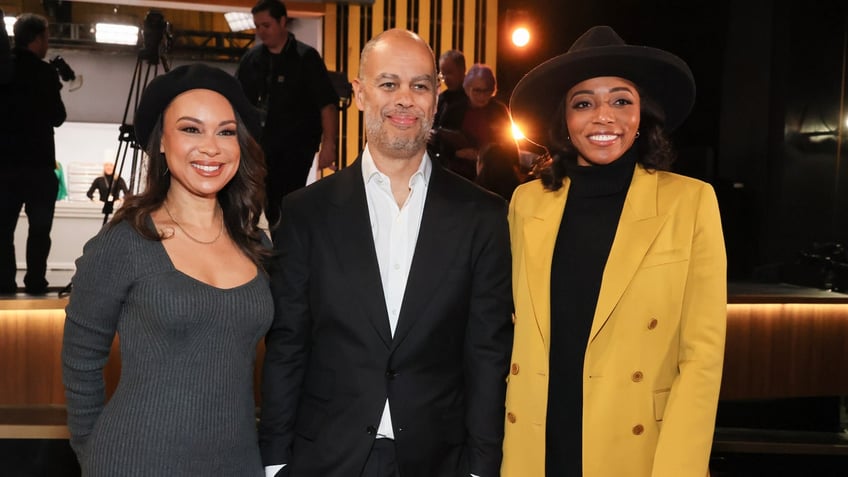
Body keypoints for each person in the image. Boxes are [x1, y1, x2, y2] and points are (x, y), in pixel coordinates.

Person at [258, 29, 513, 477]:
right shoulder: (305, 213)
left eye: (420, 86)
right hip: (326, 457)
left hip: (441, 460)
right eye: (388, 84)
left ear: (436, 98)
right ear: (359, 93)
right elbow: (288, 345)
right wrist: (275, 460)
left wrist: (482, 465)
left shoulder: (484, 216)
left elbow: (487, 353)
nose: (405, 100)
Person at [501, 26, 727, 477]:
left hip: (637, 450)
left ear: (643, 114)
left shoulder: (691, 202)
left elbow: (702, 358)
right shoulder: (526, 204)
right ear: (564, 119)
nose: (603, 116)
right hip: (539, 442)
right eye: (583, 103)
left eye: (621, 100)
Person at [62, 64, 273, 475]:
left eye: (226, 131)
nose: (211, 147)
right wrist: (94, 455)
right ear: (162, 142)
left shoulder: (256, 246)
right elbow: (81, 360)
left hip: (238, 462)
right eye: (191, 129)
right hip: (136, 460)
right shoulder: (125, 242)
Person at [235, 0, 340, 229]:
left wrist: (329, 145)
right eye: (257, 26)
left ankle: (285, 253)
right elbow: (236, 103)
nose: (261, 32)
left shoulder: (306, 58)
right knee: (251, 202)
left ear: (283, 22)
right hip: (257, 148)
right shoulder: (251, 60)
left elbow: (327, 104)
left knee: (287, 205)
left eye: (266, 25)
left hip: (295, 150)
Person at [0, 13, 66, 295]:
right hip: (38, 167)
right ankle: (36, 282)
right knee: (39, 231)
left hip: (5, 167)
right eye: (46, 37)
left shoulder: (4, 69)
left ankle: (3, 283)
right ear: (38, 39)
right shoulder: (45, 73)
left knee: (2, 231)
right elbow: (57, 117)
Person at [436, 64, 514, 181]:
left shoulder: (499, 111)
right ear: (467, 89)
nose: (482, 96)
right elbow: (441, 143)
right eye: (477, 91)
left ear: (492, 90)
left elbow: (509, 146)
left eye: (486, 91)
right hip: (457, 174)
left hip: (491, 175)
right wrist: (457, 153)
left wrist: (481, 155)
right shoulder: (454, 110)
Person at [427, 49, 467, 165]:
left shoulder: (469, 100)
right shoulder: (442, 98)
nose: (445, 78)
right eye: (443, 74)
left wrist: (440, 133)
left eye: (449, 73)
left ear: (462, 71)